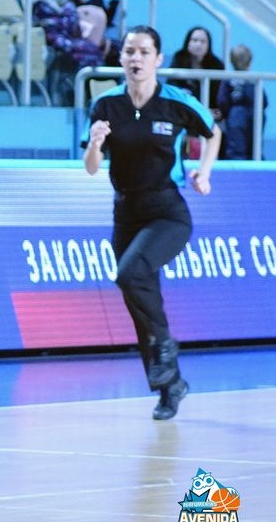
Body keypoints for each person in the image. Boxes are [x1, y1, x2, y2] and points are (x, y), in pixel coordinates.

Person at [82, 25, 221, 422]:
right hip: (125, 212)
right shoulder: (106, 105)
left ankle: (165, 347)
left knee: (130, 275)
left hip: (167, 212)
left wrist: (204, 172)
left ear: (158, 59)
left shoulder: (176, 102)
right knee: (141, 300)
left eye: (144, 51)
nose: (135, 58)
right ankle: (169, 388)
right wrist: (94, 144)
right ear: (121, 58)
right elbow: (92, 168)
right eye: (129, 51)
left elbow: (213, 133)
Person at [217, 44, 268, 160]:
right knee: (255, 145)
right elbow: (264, 102)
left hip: (235, 116)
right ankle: (256, 160)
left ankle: (237, 163)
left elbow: (222, 101)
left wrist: (224, 114)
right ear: (250, 61)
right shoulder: (255, 80)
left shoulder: (229, 80)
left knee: (236, 147)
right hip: (256, 115)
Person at [168, 26, 225, 114]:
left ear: (208, 45)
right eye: (194, 40)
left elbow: (219, 94)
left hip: (209, 111)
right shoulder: (179, 58)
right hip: (183, 109)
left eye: (203, 42)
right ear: (188, 42)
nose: (198, 44)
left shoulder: (217, 65)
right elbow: (172, 86)